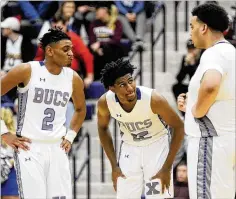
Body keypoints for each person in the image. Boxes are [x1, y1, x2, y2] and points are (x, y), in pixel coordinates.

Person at [1, 27, 87, 198]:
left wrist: (70, 136)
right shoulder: (27, 70)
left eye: (71, 49)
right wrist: (4, 132)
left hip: (57, 148)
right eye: (65, 49)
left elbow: (80, 109)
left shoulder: (73, 78)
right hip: (29, 148)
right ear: (49, 51)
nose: (71, 53)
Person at [97, 58, 184, 199]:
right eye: (122, 85)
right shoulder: (105, 103)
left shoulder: (154, 99)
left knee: (157, 196)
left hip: (156, 147)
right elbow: (102, 128)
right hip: (129, 150)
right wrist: (114, 166)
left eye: (130, 81)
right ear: (112, 88)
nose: (129, 88)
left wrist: (167, 167)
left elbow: (179, 127)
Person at [177, 3, 235, 199]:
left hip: (209, 141)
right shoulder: (230, 52)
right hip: (224, 140)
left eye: (192, 27)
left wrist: (196, 112)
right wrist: (191, 102)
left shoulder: (214, 53)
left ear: (204, 28)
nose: (191, 32)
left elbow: (211, 86)